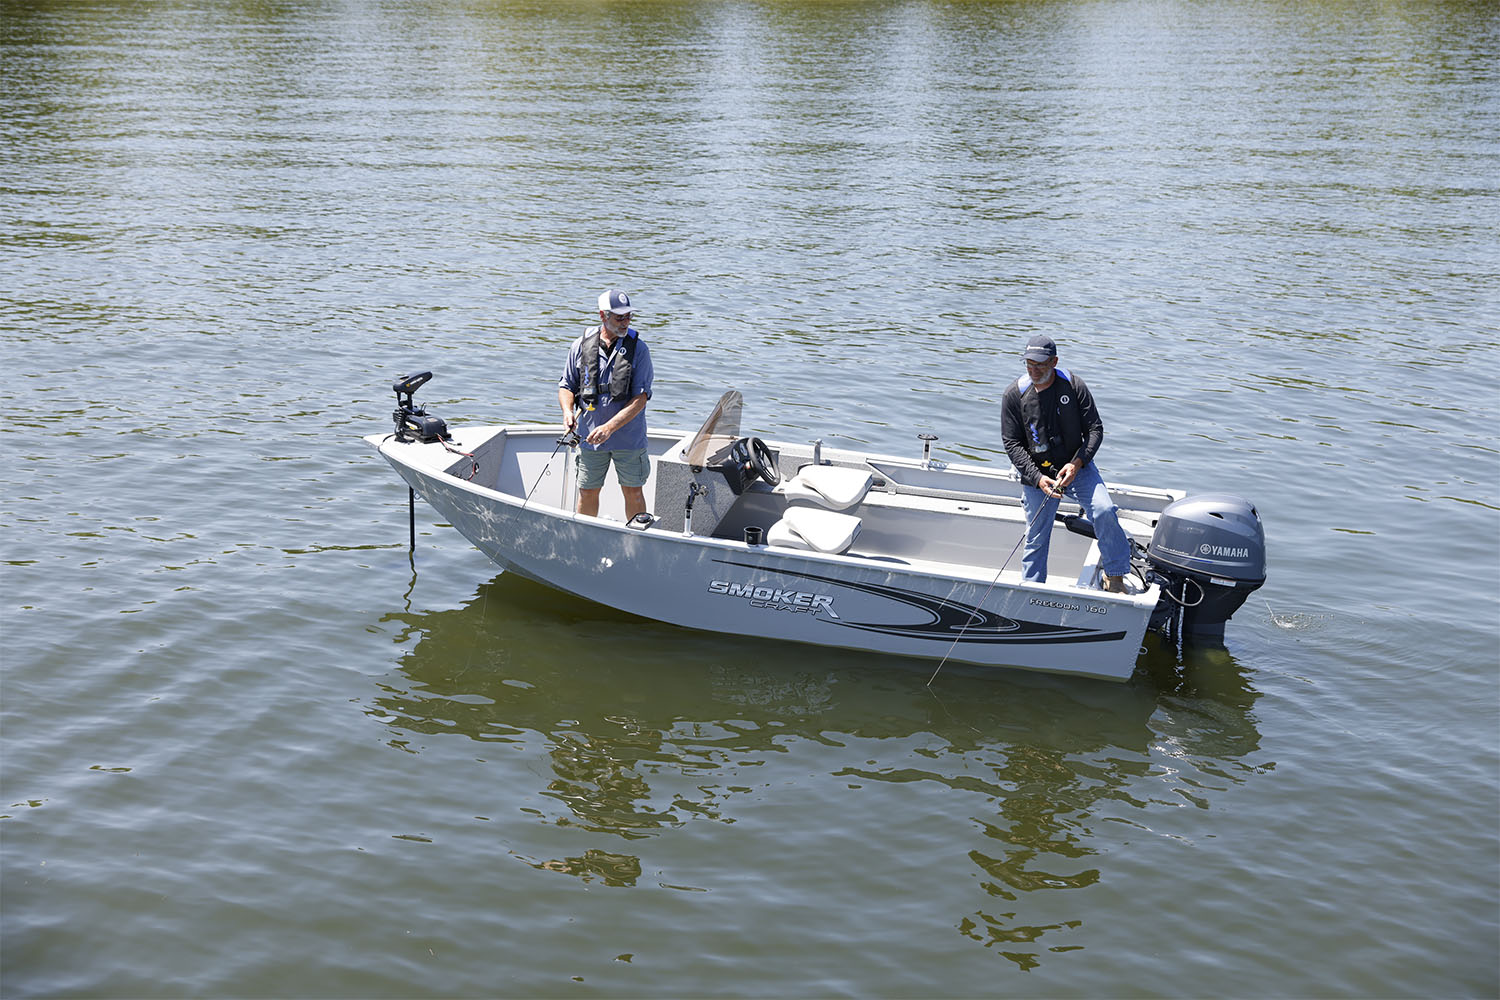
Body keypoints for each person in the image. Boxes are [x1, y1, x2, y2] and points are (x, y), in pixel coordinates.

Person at [1000, 335, 1131, 592]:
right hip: (1038, 475)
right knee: (1036, 537)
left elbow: (1095, 429)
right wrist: (1038, 478)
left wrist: (1078, 463)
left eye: (1040, 364)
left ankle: (1114, 576)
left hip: (1076, 467)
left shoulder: (1073, 386)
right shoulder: (1014, 395)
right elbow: (1012, 444)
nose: (1034, 369)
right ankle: (1032, 589)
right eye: (1029, 363)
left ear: (1054, 361)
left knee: (1104, 511)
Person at [558, 289, 654, 519]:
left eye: (629, 316)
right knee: (587, 491)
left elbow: (640, 399)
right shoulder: (580, 346)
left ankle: (637, 540)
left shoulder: (639, 349)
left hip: (628, 439)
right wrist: (567, 413)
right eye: (619, 317)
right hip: (589, 437)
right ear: (603, 316)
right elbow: (566, 387)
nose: (625, 322)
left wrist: (609, 428)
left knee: (633, 492)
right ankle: (584, 538)